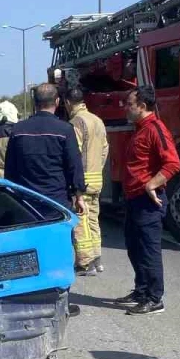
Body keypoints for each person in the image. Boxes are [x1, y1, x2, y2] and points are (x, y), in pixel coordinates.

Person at [117, 86, 180, 315]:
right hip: (133, 199)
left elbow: (173, 163)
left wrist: (151, 184)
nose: (125, 107)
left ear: (142, 106)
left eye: (129, 104)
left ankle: (155, 298)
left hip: (147, 202)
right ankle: (141, 290)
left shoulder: (155, 129)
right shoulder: (139, 129)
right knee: (135, 248)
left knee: (148, 250)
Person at [4, 83, 86, 214]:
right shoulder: (65, 129)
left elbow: (10, 169)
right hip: (57, 203)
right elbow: (74, 165)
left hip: (26, 204)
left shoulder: (18, 130)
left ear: (35, 103)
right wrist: (79, 196)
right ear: (57, 101)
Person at [66, 87, 109, 275]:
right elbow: (105, 149)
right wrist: (97, 169)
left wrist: (74, 182)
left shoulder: (76, 122)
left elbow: (74, 154)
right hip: (96, 179)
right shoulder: (97, 120)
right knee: (93, 220)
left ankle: (85, 263)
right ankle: (97, 259)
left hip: (81, 183)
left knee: (80, 222)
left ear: (68, 102)